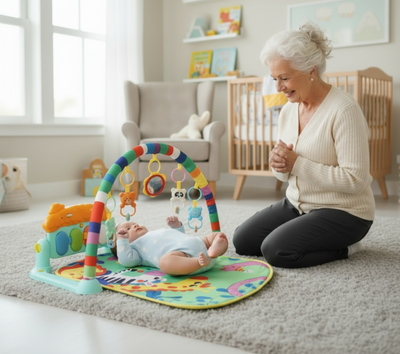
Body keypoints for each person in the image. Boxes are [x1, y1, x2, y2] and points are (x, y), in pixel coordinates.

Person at [232, 21, 375, 269]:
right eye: (274, 79)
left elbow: (356, 180)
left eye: (284, 78)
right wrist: (278, 164)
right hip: (298, 204)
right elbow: (284, 171)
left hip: (345, 211)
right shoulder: (289, 110)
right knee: (243, 241)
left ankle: (347, 248)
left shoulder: (344, 110)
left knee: (276, 251)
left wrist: (297, 164)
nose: (278, 88)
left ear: (311, 70)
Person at [111, 215, 228, 276]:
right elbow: (126, 260)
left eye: (134, 224)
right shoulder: (134, 248)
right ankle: (200, 261)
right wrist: (122, 241)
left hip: (197, 243)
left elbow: (179, 238)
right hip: (185, 258)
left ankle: (214, 250)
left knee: (215, 236)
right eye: (127, 229)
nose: (135, 226)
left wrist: (176, 227)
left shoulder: (152, 233)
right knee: (165, 263)